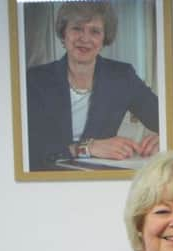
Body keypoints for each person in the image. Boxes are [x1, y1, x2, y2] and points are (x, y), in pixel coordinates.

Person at [26, 2, 160, 171]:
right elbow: (28, 149)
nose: (85, 38)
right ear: (64, 33)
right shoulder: (36, 80)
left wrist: (165, 137)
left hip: (99, 179)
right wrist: (86, 148)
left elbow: (165, 119)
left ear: (105, 37)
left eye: (95, 31)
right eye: (77, 28)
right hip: (45, 179)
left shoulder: (121, 76)